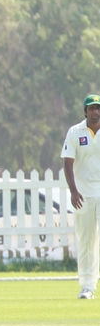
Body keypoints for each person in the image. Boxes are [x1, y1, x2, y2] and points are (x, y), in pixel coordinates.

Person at [61, 94, 100, 300]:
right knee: (86, 240)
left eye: (98, 108)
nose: (95, 111)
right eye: (91, 108)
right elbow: (68, 163)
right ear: (85, 111)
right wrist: (74, 191)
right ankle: (87, 286)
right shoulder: (75, 132)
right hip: (83, 195)